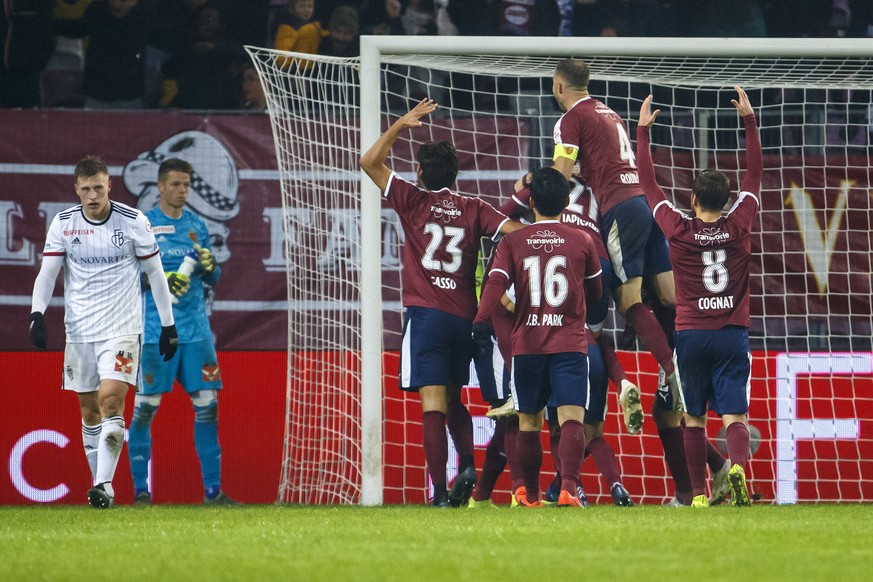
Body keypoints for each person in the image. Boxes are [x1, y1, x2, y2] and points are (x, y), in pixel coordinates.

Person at [360, 97, 523, 507]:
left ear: (418, 172)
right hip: (465, 320)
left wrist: (400, 124)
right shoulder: (474, 207)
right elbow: (515, 231)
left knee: (432, 404)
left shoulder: (412, 200)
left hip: (427, 317)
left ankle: (438, 493)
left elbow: (369, 162)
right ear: (455, 173)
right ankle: (467, 463)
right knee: (455, 399)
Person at [636, 86, 761, 507]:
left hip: (689, 335)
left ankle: (698, 497)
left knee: (692, 416)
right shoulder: (740, 222)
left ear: (691, 200)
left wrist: (641, 133)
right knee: (734, 415)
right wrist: (748, 120)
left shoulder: (677, 228)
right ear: (727, 201)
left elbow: (649, 186)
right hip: (731, 332)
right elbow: (755, 175)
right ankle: (740, 468)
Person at [29, 155, 178, 509]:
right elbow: (48, 273)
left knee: (111, 400)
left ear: (109, 185)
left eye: (99, 187)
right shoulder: (64, 224)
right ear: (76, 191)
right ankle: (101, 489)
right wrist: (37, 313)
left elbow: (156, 274)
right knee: (88, 411)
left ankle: (103, 484)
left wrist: (168, 325)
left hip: (122, 327)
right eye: (86, 189)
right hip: (79, 330)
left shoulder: (133, 222)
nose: (93, 195)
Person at [474, 167, 603, 508]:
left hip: (527, 345)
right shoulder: (583, 240)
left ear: (530, 201)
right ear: (566, 202)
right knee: (572, 416)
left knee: (528, 419)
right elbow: (597, 292)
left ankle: (529, 495)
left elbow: (495, 284)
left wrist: (481, 320)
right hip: (569, 344)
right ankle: (568, 489)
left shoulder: (512, 242)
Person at [127, 158, 237, 506]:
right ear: (159, 186)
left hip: (195, 330)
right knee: (146, 408)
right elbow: (127, 278)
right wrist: (155, 281)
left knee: (208, 407)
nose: (182, 190)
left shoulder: (196, 226)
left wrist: (210, 267)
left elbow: (213, 278)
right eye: (175, 184)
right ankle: (141, 493)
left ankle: (213, 493)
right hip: (156, 329)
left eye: (186, 184)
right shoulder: (142, 225)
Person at [52, 0, 149, 109]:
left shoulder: (143, 14)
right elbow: (80, 28)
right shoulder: (98, 8)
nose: (117, 4)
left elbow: (80, 28)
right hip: (101, 89)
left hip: (126, 90)